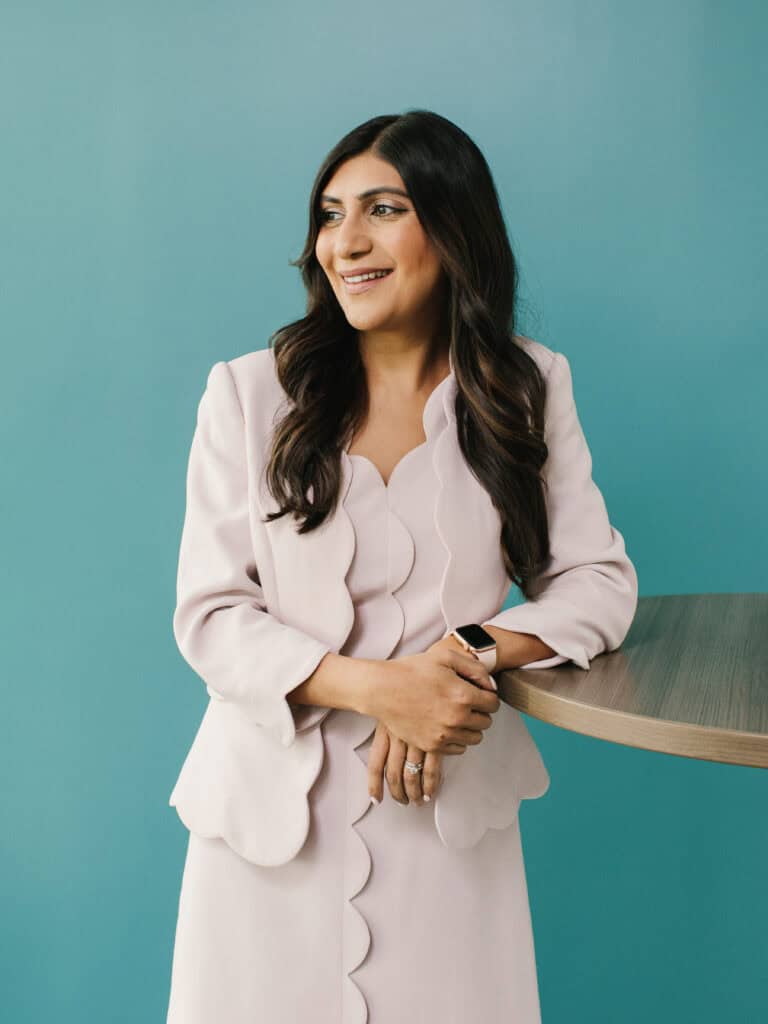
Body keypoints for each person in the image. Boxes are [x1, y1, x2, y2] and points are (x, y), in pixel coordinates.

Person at [165, 109, 639, 1023]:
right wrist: (383, 689)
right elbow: (212, 616)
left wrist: (468, 650)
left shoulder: (525, 388)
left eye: (382, 209)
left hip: (446, 813)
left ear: (452, 227)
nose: (347, 242)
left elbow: (598, 582)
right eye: (331, 215)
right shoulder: (249, 393)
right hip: (265, 826)